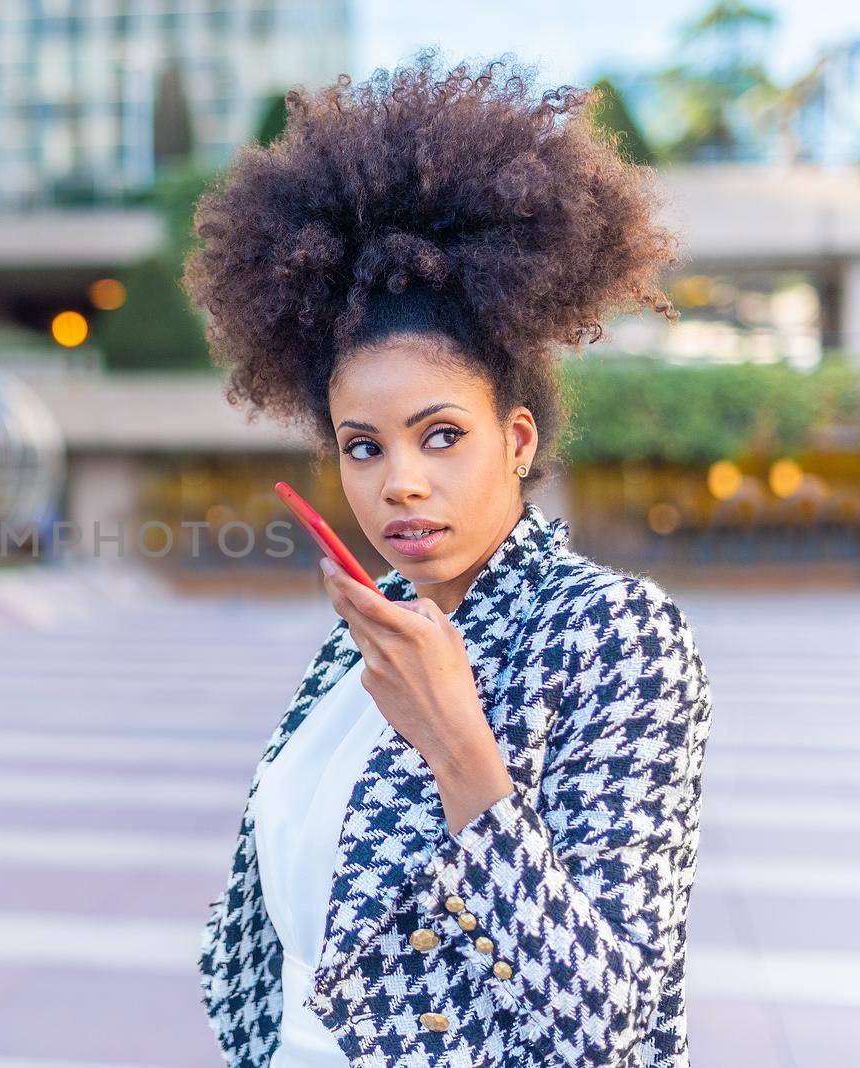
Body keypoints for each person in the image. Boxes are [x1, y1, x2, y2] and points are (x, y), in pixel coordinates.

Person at [184, 53, 714, 1067]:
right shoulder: (366, 635)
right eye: (362, 446)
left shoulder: (613, 634)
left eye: (438, 436)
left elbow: (604, 1026)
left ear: (515, 441)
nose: (399, 485)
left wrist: (460, 748)